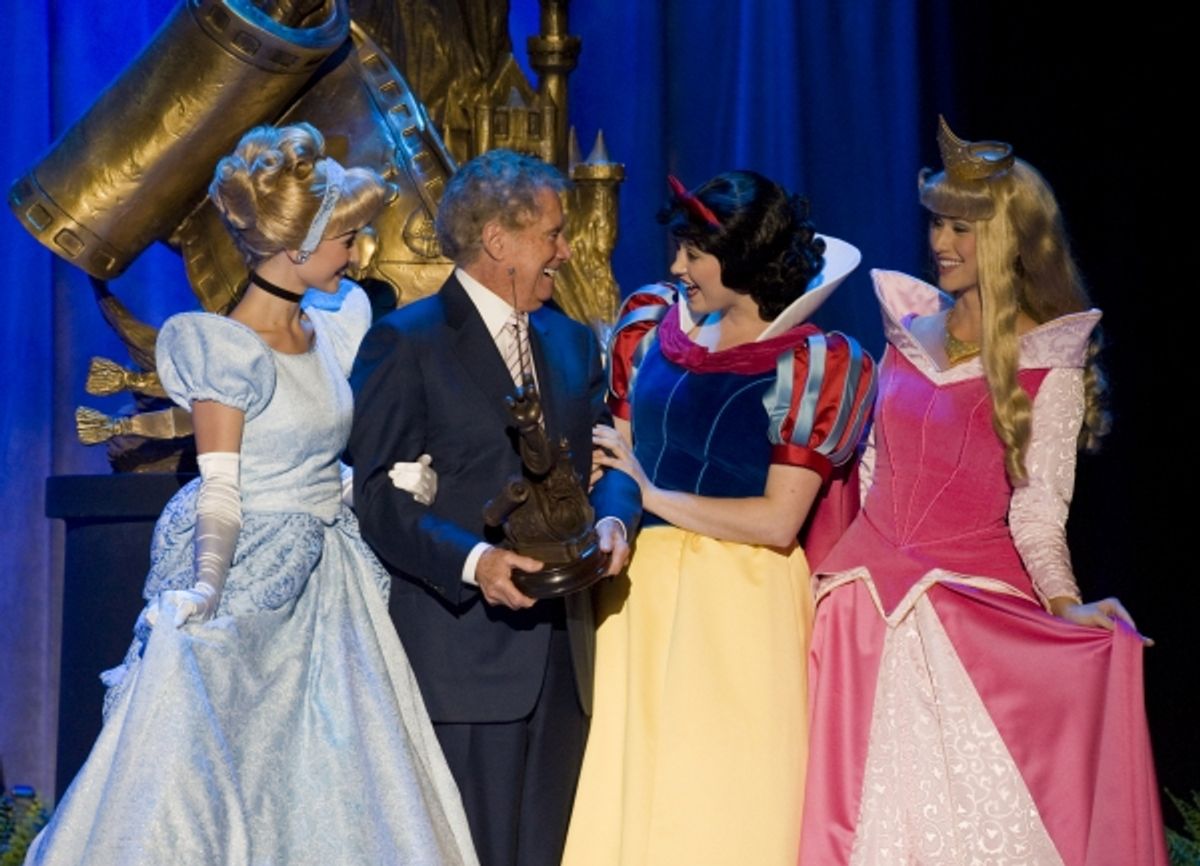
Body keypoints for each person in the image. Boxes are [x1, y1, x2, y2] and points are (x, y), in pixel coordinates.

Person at [26, 124, 478, 866]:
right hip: (252, 568)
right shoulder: (226, 350)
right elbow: (223, 488)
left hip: (329, 581)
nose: (359, 253)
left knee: (338, 775)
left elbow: (319, 449)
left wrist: (381, 481)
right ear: (298, 248)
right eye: (348, 238)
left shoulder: (332, 325)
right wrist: (205, 589)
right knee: (230, 770)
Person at [798, 118, 1167, 865]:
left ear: (1007, 241)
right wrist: (825, 585)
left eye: (965, 229)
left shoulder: (1046, 366)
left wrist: (1066, 604)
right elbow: (873, 473)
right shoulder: (905, 333)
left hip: (963, 621)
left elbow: (1036, 510)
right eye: (939, 222)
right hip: (859, 619)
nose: (943, 242)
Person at [561, 171, 877, 866]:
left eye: (695, 252)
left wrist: (649, 495)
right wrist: (615, 513)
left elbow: (776, 521)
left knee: (722, 799)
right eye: (679, 249)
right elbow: (619, 462)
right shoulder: (649, 326)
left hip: (740, 602)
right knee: (636, 791)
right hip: (637, 594)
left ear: (744, 258)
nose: (677, 266)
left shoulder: (811, 364)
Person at [346, 149, 642, 866]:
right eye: (553, 233)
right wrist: (476, 562)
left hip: (563, 660)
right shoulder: (406, 342)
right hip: (465, 659)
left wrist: (614, 518)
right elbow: (378, 498)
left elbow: (609, 463)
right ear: (498, 242)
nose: (566, 252)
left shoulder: (572, 342)